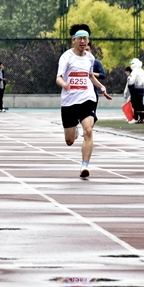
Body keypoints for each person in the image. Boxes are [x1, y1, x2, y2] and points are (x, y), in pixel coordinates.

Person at [56, 24, 111, 178]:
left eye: (85, 38)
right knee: (69, 140)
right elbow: (58, 77)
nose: (83, 41)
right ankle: (74, 131)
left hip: (87, 98)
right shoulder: (66, 57)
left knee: (89, 130)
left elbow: (90, 76)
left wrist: (101, 87)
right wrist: (64, 84)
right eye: (80, 38)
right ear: (74, 40)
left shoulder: (90, 58)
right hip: (69, 102)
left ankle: (84, 165)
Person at [125, 58, 144, 123]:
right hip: (142, 89)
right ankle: (142, 118)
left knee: (135, 104)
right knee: (140, 104)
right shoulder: (142, 71)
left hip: (135, 90)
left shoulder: (135, 71)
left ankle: (135, 118)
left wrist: (129, 82)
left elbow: (132, 81)